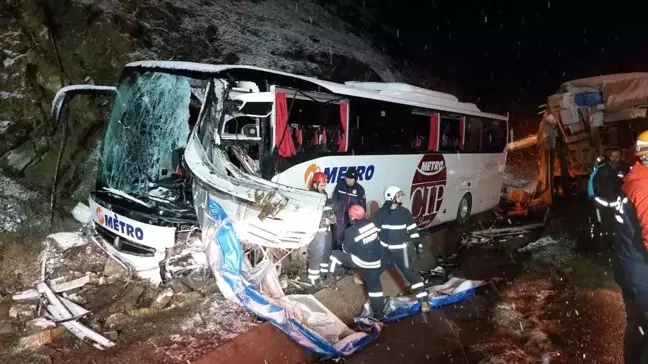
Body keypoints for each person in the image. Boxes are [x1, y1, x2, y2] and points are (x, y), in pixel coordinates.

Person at [613, 131, 648, 363]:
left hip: (630, 269)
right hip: (641, 275)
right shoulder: (643, 187)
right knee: (642, 325)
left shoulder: (633, 181)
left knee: (637, 324)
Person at [373, 186, 430, 313]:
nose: (401, 197)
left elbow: (413, 231)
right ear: (390, 197)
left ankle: (424, 301)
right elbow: (375, 234)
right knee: (373, 273)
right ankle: (377, 307)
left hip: (401, 252)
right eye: (398, 195)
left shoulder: (404, 213)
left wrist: (418, 245)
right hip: (385, 253)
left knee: (412, 275)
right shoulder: (380, 214)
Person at [328, 205, 386, 319]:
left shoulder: (351, 231)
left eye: (350, 216)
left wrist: (352, 247)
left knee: (335, 255)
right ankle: (379, 312)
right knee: (374, 285)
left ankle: (331, 279)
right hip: (377, 260)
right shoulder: (372, 224)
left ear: (353, 217)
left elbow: (346, 250)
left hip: (362, 261)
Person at [591, 148, 630, 251]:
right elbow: (593, 183)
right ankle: (596, 247)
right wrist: (595, 198)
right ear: (609, 156)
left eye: (617, 156)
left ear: (620, 157)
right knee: (598, 225)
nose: (615, 158)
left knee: (615, 226)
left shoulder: (623, 169)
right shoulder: (602, 169)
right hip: (600, 204)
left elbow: (627, 185)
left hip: (616, 205)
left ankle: (611, 246)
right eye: (613, 156)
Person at [306, 172, 336, 285]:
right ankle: (313, 278)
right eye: (322, 185)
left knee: (326, 252)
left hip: (326, 229)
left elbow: (327, 209)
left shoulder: (324, 194)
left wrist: (332, 216)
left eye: (325, 185)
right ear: (315, 184)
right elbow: (311, 216)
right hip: (317, 230)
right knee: (317, 253)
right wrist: (325, 221)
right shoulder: (311, 197)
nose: (324, 188)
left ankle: (323, 274)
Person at [332, 168, 367, 249]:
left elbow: (363, 207)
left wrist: (359, 221)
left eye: (350, 178)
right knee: (337, 239)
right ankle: (337, 253)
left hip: (352, 220)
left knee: (349, 239)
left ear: (355, 179)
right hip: (339, 218)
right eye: (346, 177)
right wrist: (333, 213)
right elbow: (334, 200)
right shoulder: (340, 185)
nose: (348, 179)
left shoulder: (359, 189)